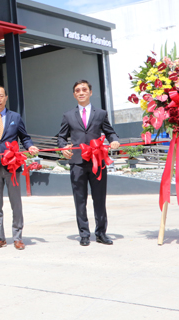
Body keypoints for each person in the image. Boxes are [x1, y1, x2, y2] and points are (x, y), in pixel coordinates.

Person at [57, 80, 120, 246]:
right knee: (80, 200)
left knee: (99, 199)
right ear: (74, 94)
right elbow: (61, 137)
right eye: (77, 90)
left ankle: (101, 233)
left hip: (97, 161)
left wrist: (114, 141)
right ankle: (84, 234)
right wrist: (63, 147)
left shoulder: (100, 113)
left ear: (90, 92)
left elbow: (110, 132)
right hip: (77, 162)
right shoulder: (68, 115)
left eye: (84, 89)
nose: (81, 92)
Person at [0, 86, 38, 251]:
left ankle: (17, 237)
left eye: (1, 96)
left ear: (6, 98)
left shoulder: (15, 117)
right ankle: (0, 237)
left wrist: (30, 146)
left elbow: (25, 137)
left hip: (12, 167)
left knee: (15, 203)